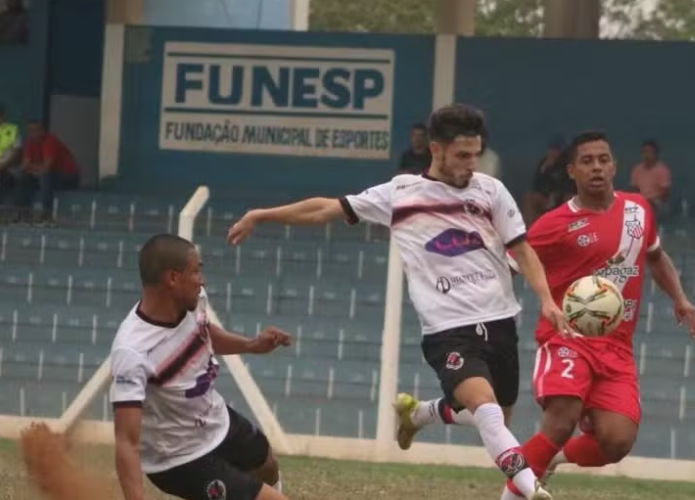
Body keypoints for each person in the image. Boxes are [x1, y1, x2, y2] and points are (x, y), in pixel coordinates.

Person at [227, 104, 567, 500]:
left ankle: (421, 413)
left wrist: (547, 300)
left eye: (475, 154)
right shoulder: (401, 193)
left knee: (495, 418)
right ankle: (532, 490)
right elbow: (324, 209)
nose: (470, 164)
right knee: (488, 411)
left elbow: (522, 250)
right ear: (436, 150)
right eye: (462, 155)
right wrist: (263, 215)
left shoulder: (491, 190)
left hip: (501, 322)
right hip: (449, 330)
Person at [393, 130, 695, 500]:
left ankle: (550, 459)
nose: (597, 167)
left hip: (617, 349)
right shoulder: (554, 225)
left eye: (603, 159)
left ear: (615, 165)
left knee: (617, 441)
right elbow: (505, 266)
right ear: (571, 171)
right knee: (561, 419)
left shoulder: (638, 210)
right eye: (587, 161)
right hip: (567, 338)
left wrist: (680, 298)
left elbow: (655, 255)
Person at [110, 234, 293, 500]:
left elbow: (203, 333)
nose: (202, 280)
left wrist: (252, 345)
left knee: (267, 463)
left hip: (216, 420)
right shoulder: (133, 352)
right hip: (178, 459)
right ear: (173, 278)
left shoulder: (194, 301)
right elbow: (126, 442)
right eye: (196, 271)